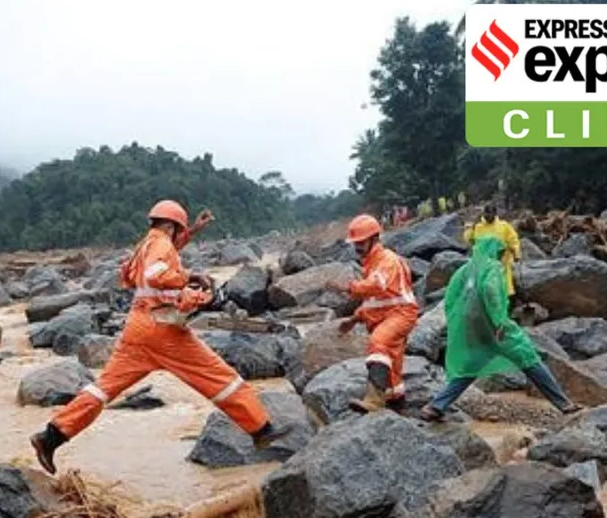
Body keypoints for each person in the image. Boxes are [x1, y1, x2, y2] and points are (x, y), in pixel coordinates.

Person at [29, 200, 286, 475]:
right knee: (219, 377)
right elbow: (157, 274)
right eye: (180, 231)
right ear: (171, 226)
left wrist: (193, 233)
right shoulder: (160, 246)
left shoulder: (146, 245)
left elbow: (133, 274)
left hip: (137, 329)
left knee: (102, 389)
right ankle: (261, 428)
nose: (177, 238)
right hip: (163, 330)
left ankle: (51, 436)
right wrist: (192, 280)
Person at [419, 237, 581, 422]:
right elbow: (490, 290)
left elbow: (450, 298)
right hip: (496, 329)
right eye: (501, 252)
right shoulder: (493, 267)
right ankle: (563, 403)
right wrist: (498, 321)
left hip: (473, 329)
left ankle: (435, 406)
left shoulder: (465, 270)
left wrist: (460, 324)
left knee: (469, 369)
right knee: (530, 359)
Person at [327, 214, 419, 413]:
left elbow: (377, 286)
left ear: (374, 239)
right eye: (355, 243)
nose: (357, 247)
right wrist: (354, 319)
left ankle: (374, 401)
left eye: (361, 242)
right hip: (390, 314)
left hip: (401, 314)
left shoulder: (387, 260)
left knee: (378, 342)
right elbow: (375, 302)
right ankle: (397, 407)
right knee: (392, 366)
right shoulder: (372, 263)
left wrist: (348, 287)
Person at [463, 203, 522, 299]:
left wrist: (516, 253)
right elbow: (468, 239)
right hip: (483, 263)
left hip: (501, 263)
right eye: (486, 214)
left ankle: (504, 307)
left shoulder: (503, 226)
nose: (488, 216)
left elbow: (513, 240)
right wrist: (472, 227)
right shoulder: (478, 227)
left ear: (495, 214)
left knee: (502, 288)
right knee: (484, 288)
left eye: (490, 213)